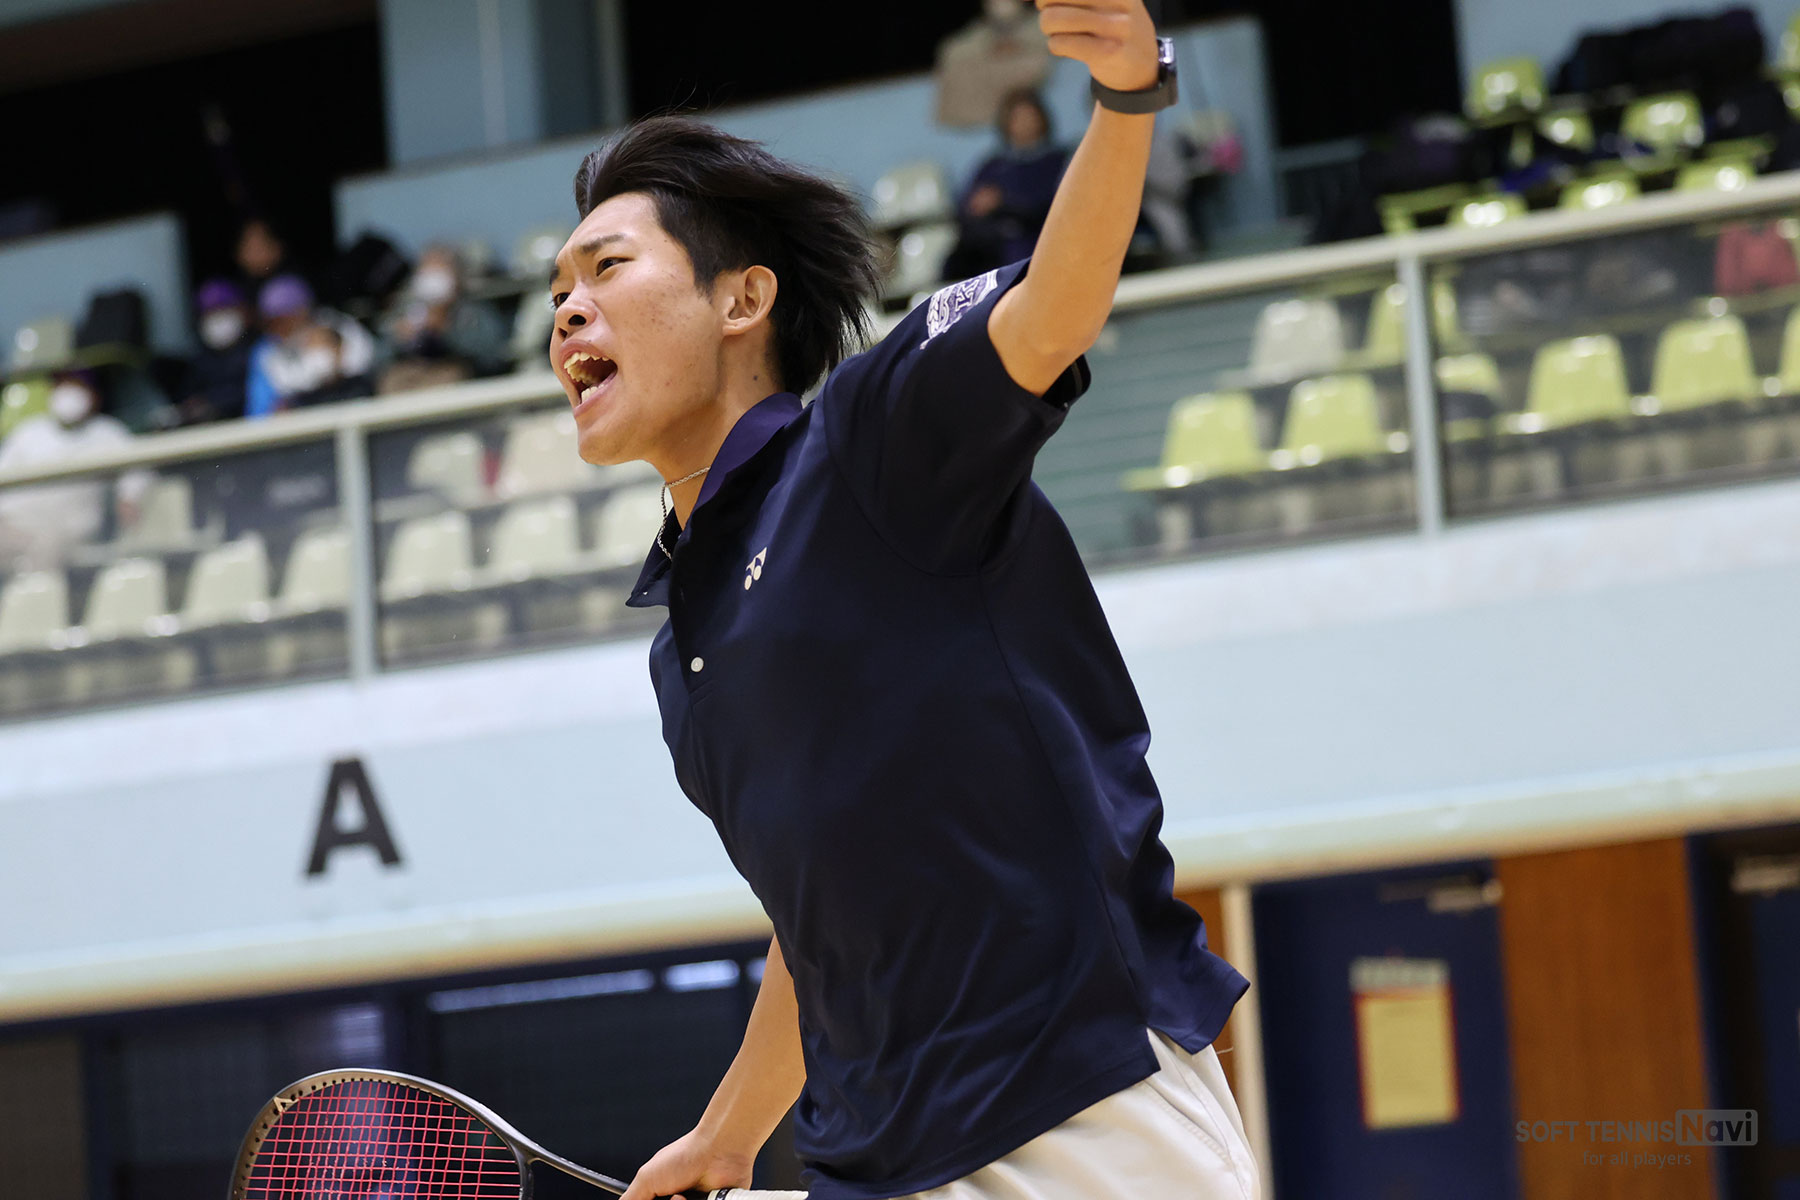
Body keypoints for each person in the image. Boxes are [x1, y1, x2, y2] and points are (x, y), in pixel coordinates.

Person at [547, 4, 1257, 1199]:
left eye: (607, 268)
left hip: (1075, 1112)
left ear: (741, 301)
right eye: (558, 288)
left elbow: (1053, 309)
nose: (567, 309)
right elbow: (820, 926)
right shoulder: (685, 650)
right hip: (874, 1156)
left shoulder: (870, 443)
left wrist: (1129, 96)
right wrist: (729, 1134)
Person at [0, 368, 152, 568]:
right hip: (15, 525)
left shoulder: (108, 433)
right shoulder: (28, 431)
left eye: (76, 386)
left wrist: (129, 497)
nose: (68, 393)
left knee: (47, 546)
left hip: (72, 533)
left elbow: (138, 470)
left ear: (94, 395)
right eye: (62, 385)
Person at [944, 89, 1069, 281]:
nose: (1024, 124)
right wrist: (976, 207)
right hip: (991, 251)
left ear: (1042, 118)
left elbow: (1053, 205)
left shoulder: (1058, 161)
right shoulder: (993, 166)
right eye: (1017, 118)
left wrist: (1003, 202)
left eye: (1029, 116)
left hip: (1040, 244)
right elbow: (967, 208)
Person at [377, 244, 511, 393]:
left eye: (439, 271)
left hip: (453, 374)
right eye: (427, 271)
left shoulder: (473, 312)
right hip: (410, 373)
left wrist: (446, 330)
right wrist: (399, 339)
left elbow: (492, 356)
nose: (432, 279)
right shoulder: (404, 310)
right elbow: (378, 357)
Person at [245, 274, 377, 418]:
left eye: (284, 318)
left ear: (303, 310)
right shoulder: (266, 349)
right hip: (305, 408)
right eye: (273, 321)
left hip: (351, 394)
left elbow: (363, 359)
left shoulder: (335, 323)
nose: (279, 326)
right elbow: (263, 406)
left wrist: (335, 367)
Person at [177, 278, 257, 424]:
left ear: (243, 311)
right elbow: (188, 399)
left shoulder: (258, 350)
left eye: (224, 310)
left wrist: (214, 404)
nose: (218, 319)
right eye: (210, 313)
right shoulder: (200, 360)